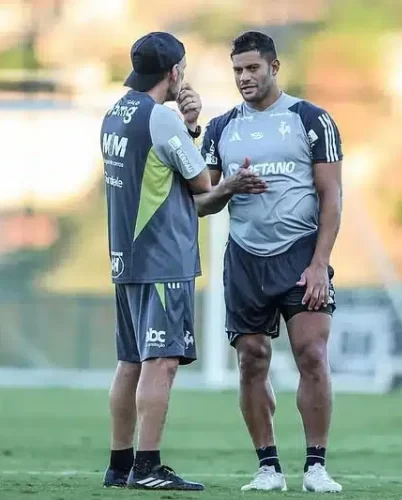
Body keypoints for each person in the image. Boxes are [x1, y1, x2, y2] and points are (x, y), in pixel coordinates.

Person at [196, 31, 343, 493]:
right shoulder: (222, 128)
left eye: (253, 68)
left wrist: (320, 264)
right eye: (237, 69)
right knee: (252, 361)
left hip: (301, 253)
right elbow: (201, 203)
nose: (244, 77)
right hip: (245, 258)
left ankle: (316, 466)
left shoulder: (310, 119)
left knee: (312, 356)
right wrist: (228, 188)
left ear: (274, 68)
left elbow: (331, 197)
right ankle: (268, 467)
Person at [100, 31, 211, 491]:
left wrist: (184, 125)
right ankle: (146, 467)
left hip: (125, 258)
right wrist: (190, 126)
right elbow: (202, 182)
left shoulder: (113, 113)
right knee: (161, 361)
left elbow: (155, 168)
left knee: (130, 361)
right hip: (163, 258)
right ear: (174, 72)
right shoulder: (159, 120)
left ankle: (119, 463)